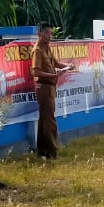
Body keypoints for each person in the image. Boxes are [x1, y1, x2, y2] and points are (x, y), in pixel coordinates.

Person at [30, 22, 74, 159]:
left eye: (51, 33)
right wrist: (54, 75)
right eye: (47, 33)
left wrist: (68, 65)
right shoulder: (37, 50)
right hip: (43, 87)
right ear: (39, 34)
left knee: (44, 119)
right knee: (49, 120)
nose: (50, 36)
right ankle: (52, 151)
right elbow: (35, 72)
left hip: (49, 87)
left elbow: (56, 63)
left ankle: (43, 151)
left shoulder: (47, 48)